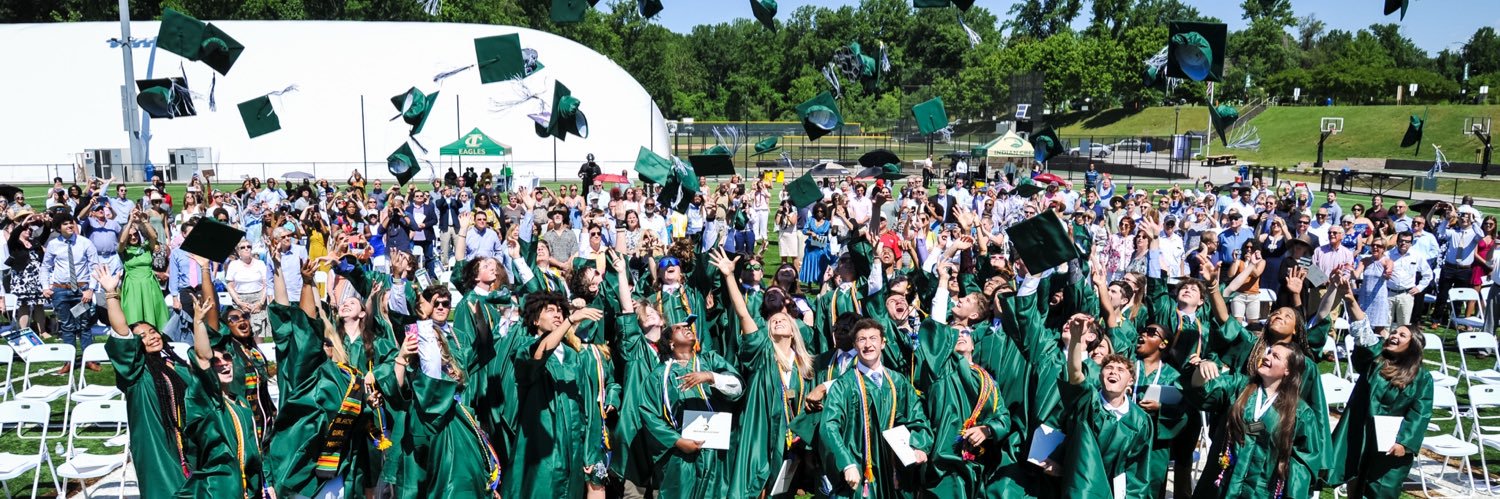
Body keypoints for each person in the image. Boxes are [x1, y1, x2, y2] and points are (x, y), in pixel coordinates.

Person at [1328, 277, 1433, 499]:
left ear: (1412, 346)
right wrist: (1349, 299)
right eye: (1394, 332)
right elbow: (1363, 333)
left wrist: (1405, 442)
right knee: (1354, 482)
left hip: (1391, 443)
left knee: (1381, 489)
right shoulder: (1377, 359)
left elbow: (1420, 413)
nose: (1394, 335)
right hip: (1362, 433)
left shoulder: (1422, 378)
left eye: (1402, 335)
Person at [817, 318, 931, 498]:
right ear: (855, 345)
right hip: (860, 468)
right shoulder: (844, 385)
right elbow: (829, 426)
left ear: (883, 343)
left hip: (894, 470)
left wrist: (920, 446)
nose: (868, 345)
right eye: (862, 339)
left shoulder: (897, 382)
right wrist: (846, 463)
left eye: (873, 339)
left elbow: (917, 417)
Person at [42, 212, 100, 373]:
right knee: (66, 327)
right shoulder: (54, 244)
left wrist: (90, 289)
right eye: (66, 224)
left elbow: (94, 266)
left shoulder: (85, 243)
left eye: (71, 223)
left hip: (81, 291)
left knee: (84, 325)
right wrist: (46, 287)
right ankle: (69, 361)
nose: (70, 226)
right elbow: (45, 267)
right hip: (60, 291)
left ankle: (90, 359)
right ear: (59, 228)